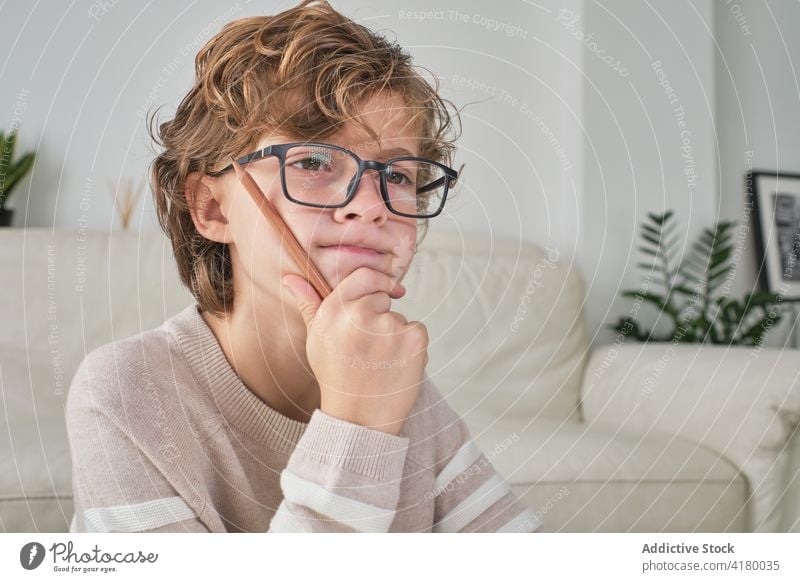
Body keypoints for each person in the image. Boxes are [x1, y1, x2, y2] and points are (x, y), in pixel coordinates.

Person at [66, 0, 541, 533]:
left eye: (401, 176)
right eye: (312, 162)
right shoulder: (125, 395)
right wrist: (357, 423)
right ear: (212, 208)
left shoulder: (399, 387)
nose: (373, 204)